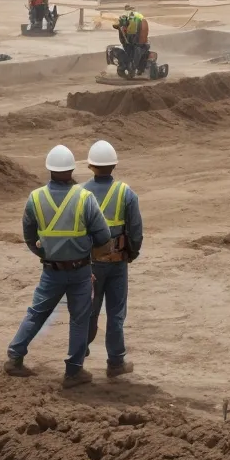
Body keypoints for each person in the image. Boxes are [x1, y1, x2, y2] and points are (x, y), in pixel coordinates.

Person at [4, 145, 113, 387]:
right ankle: (73, 371)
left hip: (51, 271)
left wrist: (45, 253)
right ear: (72, 169)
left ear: (49, 170)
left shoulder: (35, 198)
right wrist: (84, 248)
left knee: (36, 313)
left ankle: (14, 357)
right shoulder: (85, 198)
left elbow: (29, 235)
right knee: (79, 319)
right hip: (81, 271)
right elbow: (103, 236)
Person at [80, 140, 142, 378]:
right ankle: (115, 363)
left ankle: (78, 356)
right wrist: (131, 253)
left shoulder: (80, 194)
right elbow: (136, 230)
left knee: (88, 311)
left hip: (90, 264)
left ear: (90, 166)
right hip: (117, 263)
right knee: (116, 313)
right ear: (114, 165)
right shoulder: (126, 193)